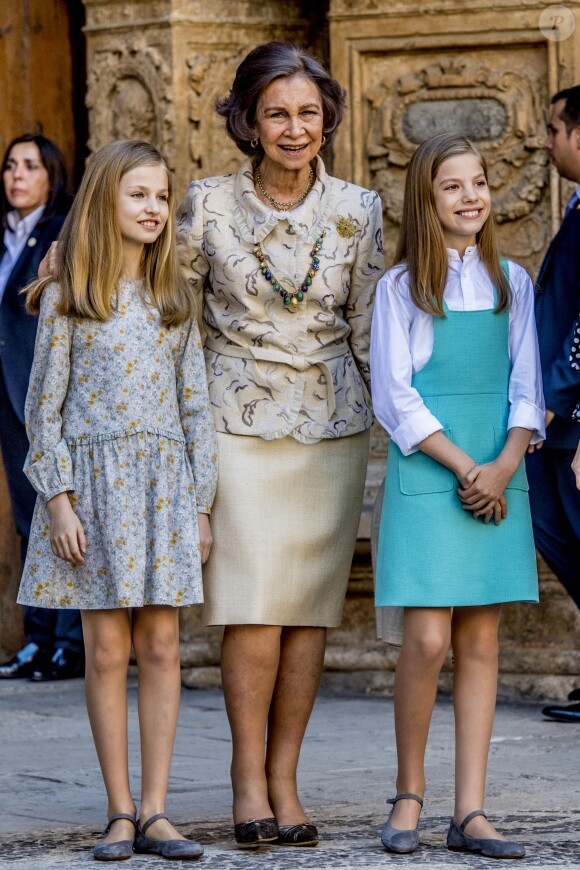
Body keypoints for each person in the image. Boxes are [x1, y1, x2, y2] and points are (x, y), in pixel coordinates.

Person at [177, 41, 384, 848]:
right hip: (234, 423)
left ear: (326, 116)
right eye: (277, 114)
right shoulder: (206, 205)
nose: (295, 128)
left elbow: (372, 328)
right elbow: (172, 311)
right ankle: (245, 777)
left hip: (332, 429)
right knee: (253, 610)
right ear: (248, 122)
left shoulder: (360, 209)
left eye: (307, 112)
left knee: (307, 616)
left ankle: (286, 780)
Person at [17, 140, 217, 861]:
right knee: (106, 649)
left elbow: (195, 408)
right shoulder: (72, 295)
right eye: (138, 195)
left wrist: (200, 504)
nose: (154, 209)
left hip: (162, 490)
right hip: (93, 495)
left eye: (162, 197)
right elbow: (44, 409)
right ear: (106, 200)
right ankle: (120, 811)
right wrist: (61, 499)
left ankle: (160, 809)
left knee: (162, 644)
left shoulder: (173, 301)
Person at [370, 133, 545, 858]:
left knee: (479, 641)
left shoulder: (513, 281)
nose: (471, 196)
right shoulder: (400, 287)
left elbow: (527, 385)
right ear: (426, 198)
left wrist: (503, 463)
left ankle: (469, 809)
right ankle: (409, 792)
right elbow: (393, 394)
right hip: (432, 478)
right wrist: (464, 468)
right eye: (453, 185)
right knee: (429, 637)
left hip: (497, 479)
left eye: (479, 183)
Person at [0, 133, 84, 682]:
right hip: (8, 395)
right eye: (10, 165)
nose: (16, 176)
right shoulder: (2, 238)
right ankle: (37, 637)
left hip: (45, 393)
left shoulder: (60, 234)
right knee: (29, 518)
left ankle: (68, 643)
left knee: (64, 512)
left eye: (30, 166)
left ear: (53, 177)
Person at [525, 86, 580, 725]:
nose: (546, 141)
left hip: (568, 417)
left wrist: (556, 398)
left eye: (554, 129)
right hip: (554, 418)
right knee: (551, 531)